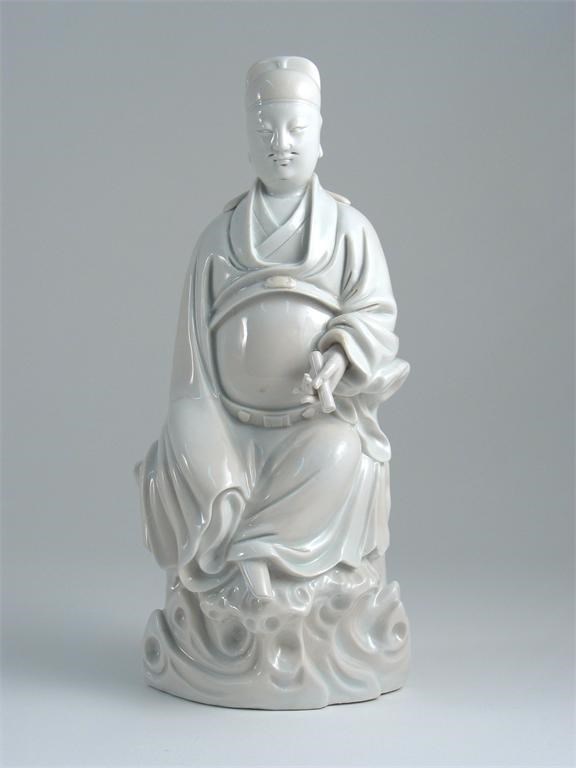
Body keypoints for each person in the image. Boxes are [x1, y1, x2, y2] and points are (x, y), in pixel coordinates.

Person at [136, 55, 409, 606]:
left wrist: (341, 355)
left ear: (320, 138)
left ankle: (260, 554)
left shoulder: (351, 230)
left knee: (343, 451)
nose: (281, 144)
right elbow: (191, 362)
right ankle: (236, 568)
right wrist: (196, 419)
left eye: (296, 130)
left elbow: (375, 315)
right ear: (247, 141)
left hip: (313, 426)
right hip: (227, 423)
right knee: (195, 461)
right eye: (266, 133)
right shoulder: (218, 239)